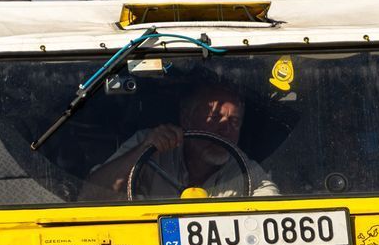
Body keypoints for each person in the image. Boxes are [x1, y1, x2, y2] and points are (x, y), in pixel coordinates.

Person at [83, 79, 279, 199]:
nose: (224, 129)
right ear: (186, 118)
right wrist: (142, 151)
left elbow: (274, 210)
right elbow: (90, 195)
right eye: (215, 118)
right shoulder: (149, 144)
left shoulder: (244, 169)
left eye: (234, 122)